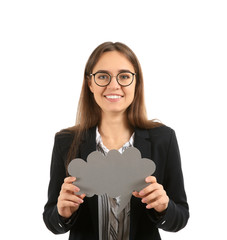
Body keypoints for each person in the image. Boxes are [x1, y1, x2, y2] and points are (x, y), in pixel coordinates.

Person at [43, 42, 189, 240]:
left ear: (136, 82)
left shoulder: (163, 139)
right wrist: (62, 213)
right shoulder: (66, 142)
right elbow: (52, 221)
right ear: (90, 83)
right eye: (103, 76)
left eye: (124, 76)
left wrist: (164, 207)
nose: (114, 85)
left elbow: (180, 218)